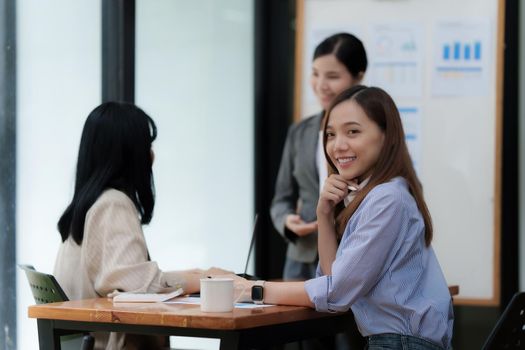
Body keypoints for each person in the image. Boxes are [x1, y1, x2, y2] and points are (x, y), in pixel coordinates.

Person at [234, 86, 454, 349]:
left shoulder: (387, 198)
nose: (337, 146)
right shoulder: (379, 195)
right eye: (330, 134)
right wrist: (324, 214)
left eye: (353, 132)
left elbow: (336, 292)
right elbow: (334, 278)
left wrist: (253, 289)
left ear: (387, 137)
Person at [54, 102, 228, 350]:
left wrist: (196, 275)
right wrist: (206, 280)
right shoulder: (113, 204)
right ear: (130, 153)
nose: (152, 155)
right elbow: (138, 287)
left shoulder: (87, 206)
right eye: (147, 146)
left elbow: (126, 277)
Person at [270, 33, 367, 281]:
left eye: (332, 76)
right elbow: (281, 200)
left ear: (358, 76)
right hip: (301, 260)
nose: (321, 85)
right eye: (315, 74)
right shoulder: (300, 132)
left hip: (354, 255)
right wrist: (287, 221)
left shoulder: (374, 131)